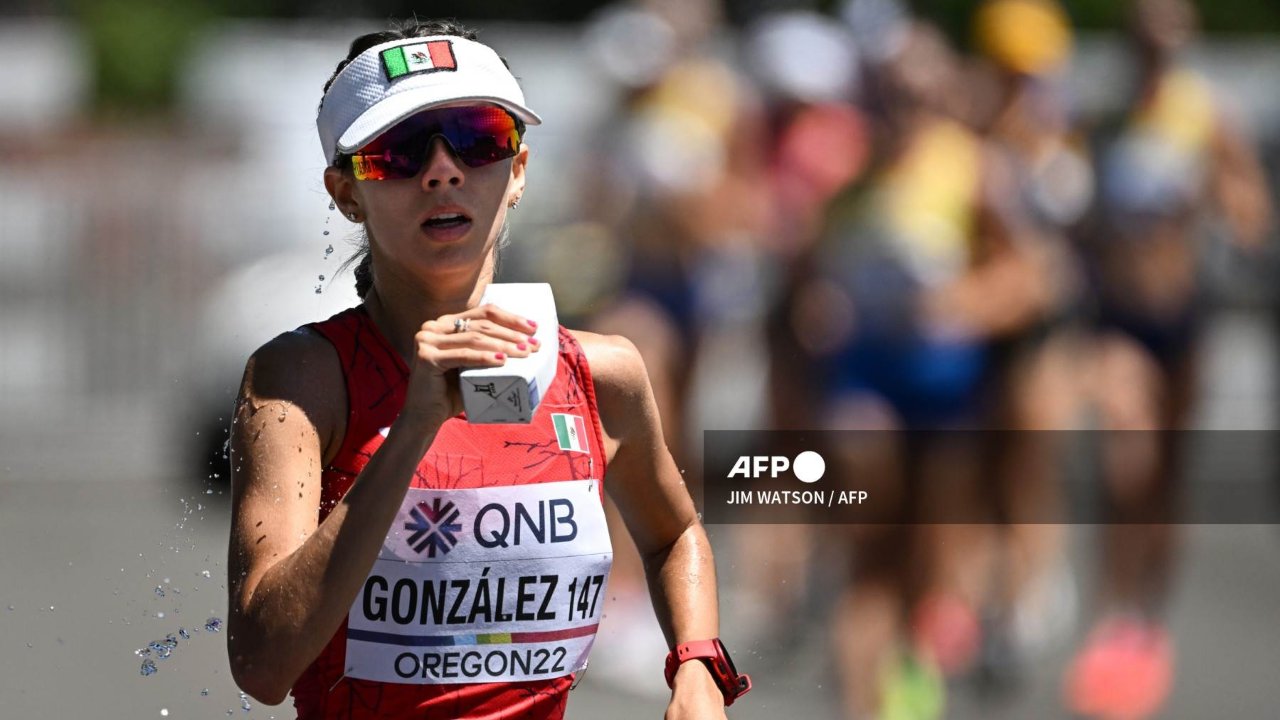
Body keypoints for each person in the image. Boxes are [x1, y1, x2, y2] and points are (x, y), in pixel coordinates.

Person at [224, 19, 746, 720]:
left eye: (477, 138)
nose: (443, 170)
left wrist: (698, 666)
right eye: (399, 152)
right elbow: (261, 665)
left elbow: (674, 533)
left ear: (519, 172)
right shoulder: (300, 380)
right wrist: (412, 430)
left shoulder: (603, 373)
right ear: (346, 193)